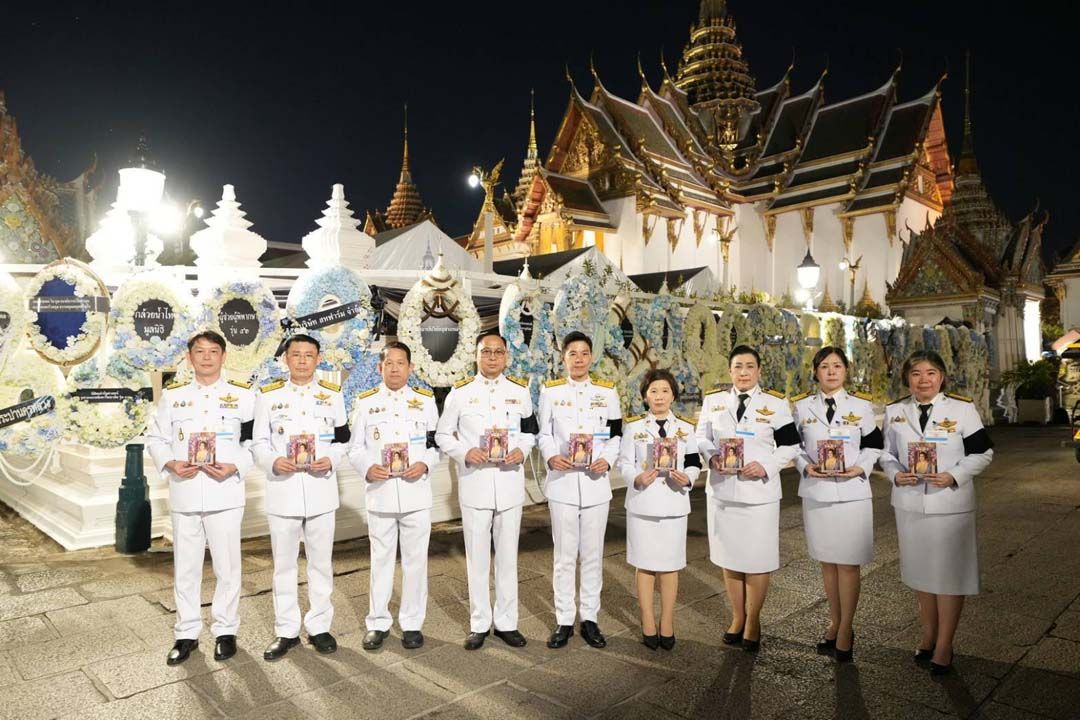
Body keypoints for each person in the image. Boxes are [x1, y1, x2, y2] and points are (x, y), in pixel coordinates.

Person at [880, 350, 993, 675]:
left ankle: (944, 644)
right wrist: (895, 473)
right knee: (921, 572)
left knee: (949, 575)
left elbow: (983, 452)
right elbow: (886, 454)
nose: (924, 380)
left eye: (931, 373)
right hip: (910, 503)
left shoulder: (961, 409)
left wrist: (953, 475)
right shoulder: (895, 411)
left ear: (941, 377)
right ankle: (928, 635)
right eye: (916, 373)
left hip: (950, 504)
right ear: (907, 378)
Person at [145, 331, 255, 666]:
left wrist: (235, 465)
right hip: (186, 491)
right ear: (189, 357)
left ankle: (226, 631)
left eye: (213, 351)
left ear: (224, 356)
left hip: (226, 492)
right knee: (186, 568)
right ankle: (186, 633)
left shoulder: (243, 396)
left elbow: (254, 443)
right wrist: (170, 463)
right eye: (200, 351)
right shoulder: (173, 396)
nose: (206, 357)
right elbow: (155, 438)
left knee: (227, 567)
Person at [436, 332, 537, 650]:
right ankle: (479, 623)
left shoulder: (520, 392)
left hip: (509, 484)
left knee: (507, 559)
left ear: (506, 356)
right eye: (486, 351)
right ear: (476, 355)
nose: (492, 357)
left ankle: (507, 623)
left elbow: (530, 433)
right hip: (475, 484)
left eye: (498, 352)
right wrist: (465, 452)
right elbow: (442, 434)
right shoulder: (460, 392)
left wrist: (522, 450)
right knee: (477, 559)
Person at [696, 344, 800, 652]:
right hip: (723, 492)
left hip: (759, 494)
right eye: (738, 366)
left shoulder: (775, 403)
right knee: (729, 557)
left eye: (749, 366)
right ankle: (737, 617)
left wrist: (766, 465)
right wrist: (712, 456)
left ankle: (753, 620)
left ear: (758, 371)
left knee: (756, 558)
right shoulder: (714, 400)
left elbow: (790, 445)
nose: (744, 372)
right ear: (730, 371)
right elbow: (701, 437)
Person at [252, 334, 350, 661]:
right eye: (296, 355)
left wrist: (331, 459)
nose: (303, 360)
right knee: (284, 565)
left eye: (309, 355)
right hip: (284, 490)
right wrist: (272, 461)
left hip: (321, 490)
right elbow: (258, 442)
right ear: (286, 359)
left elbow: (343, 440)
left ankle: (319, 626)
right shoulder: (268, 396)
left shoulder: (332, 395)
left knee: (321, 563)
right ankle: (286, 630)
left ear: (318, 359)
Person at [791, 346, 883, 663]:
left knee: (848, 563)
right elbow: (793, 447)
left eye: (837, 366)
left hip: (852, 493)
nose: (831, 371)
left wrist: (861, 467)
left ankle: (846, 628)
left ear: (846, 370)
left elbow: (874, 445)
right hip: (817, 493)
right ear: (815, 372)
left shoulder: (861, 406)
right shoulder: (801, 407)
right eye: (825, 366)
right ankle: (834, 622)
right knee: (827, 562)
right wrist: (805, 466)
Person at [348, 342, 440, 651]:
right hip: (381, 494)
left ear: (410, 368)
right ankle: (377, 623)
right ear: (380, 368)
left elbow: (435, 444)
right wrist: (367, 468)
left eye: (401, 363)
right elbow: (355, 448)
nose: (395, 368)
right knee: (381, 562)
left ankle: (412, 623)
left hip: (416, 494)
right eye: (389, 363)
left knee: (416, 562)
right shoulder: (366, 403)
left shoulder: (425, 401)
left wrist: (424, 464)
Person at [537, 331, 622, 649]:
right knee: (564, 556)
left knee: (592, 555)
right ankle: (563, 620)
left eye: (584, 353)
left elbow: (616, 434)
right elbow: (544, 433)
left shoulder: (607, 392)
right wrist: (551, 456)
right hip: (563, 484)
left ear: (591, 357)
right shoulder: (551, 391)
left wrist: (607, 460)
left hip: (595, 485)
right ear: (564, 358)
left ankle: (589, 619)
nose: (579, 359)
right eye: (572, 353)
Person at [618, 369, 701, 651]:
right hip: (643, 503)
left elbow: (694, 462)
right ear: (645, 396)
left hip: (674, 503)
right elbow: (624, 462)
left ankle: (667, 621)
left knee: (669, 566)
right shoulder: (634, 427)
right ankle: (647, 621)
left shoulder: (686, 428)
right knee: (645, 565)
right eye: (653, 391)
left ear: (673, 395)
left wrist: (688, 478)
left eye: (665, 390)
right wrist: (636, 478)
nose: (659, 396)